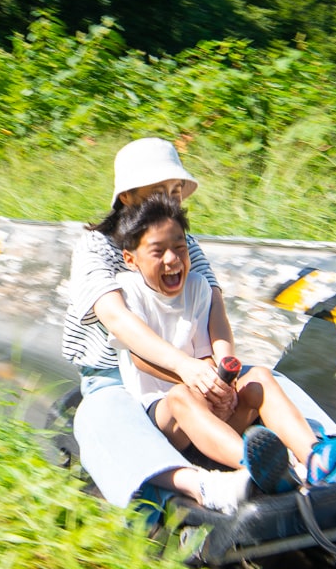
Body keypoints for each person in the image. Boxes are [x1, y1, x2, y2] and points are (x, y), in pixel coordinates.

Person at [63, 138, 336, 516]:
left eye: (175, 192)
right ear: (128, 196)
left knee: (260, 377)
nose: (171, 200)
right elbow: (116, 318)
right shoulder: (96, 247)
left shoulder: (183, 243)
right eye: (159, 191)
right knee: (102, 416)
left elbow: (213, 306)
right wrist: (185, 368)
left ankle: (321, 451)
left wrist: (223, 370)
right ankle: (194, 485)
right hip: (119, 374)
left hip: (196, 364)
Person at [110, 194, 321, 490]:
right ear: (131, 259)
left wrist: (221, 387)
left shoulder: (197, 287)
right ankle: (262, 466)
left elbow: (206, 354)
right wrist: (197, 382)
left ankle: (316, 458)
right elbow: (139, 357)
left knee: (259, 377)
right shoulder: (127, 292)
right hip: (164, 417)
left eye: (179, 248)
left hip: (209, 415)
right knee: (182, 395)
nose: (172, 259)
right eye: (158, 252)